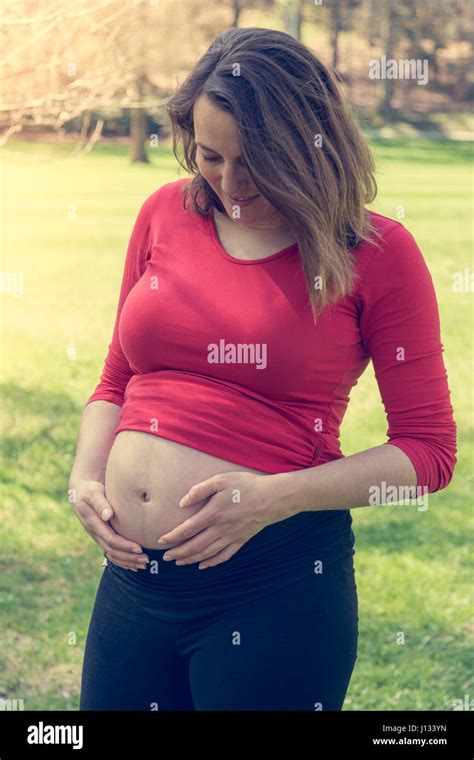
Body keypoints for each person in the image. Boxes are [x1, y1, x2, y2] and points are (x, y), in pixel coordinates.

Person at [70, 27, 457, 711]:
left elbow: (429, 456)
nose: (230, 183)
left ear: (311, 147)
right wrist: (86, 477)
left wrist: (276, 496)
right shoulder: (164, 213)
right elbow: (115, 382)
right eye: (209, 157)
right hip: (133, 588)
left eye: (256, 163)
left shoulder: (378, 253)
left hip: (274, 585)